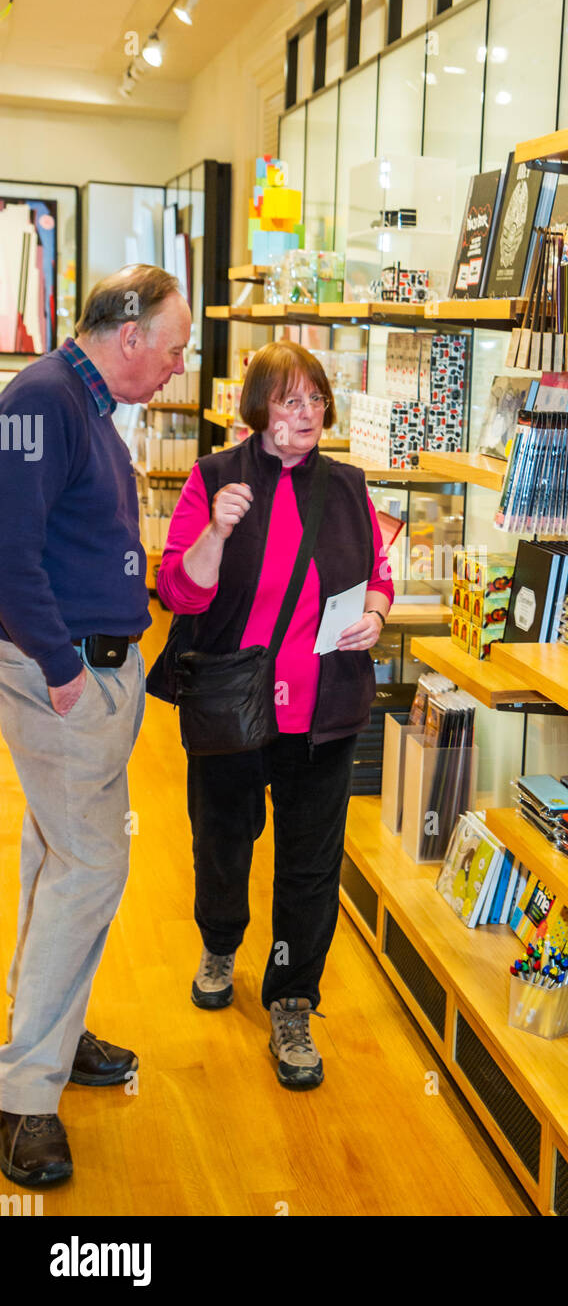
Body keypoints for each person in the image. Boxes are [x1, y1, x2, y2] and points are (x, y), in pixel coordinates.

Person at [150, 340, 394, 1090]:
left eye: (316, 399)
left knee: (310, 864)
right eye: (289, 400)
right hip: (233, 705)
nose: (306, 414)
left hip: (326, 710)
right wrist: (217, 533)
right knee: (224, 839)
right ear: (256, 408)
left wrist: (378, 614)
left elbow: (379, 575)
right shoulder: (215, 478)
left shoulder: (349, 487)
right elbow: (179, 595)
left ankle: (291, 996)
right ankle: (220, 942)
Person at [0, 266, 191, 1186]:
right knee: (89, 870)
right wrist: (66, 669)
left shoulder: (82, 406)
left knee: (56, 859)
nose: (178, 366)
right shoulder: (40, 400)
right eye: (174, 347)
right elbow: (7, 554)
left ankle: (51, 1035)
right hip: (63, 676)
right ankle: (26, 1097)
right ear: (128, 337)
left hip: (96, 672)